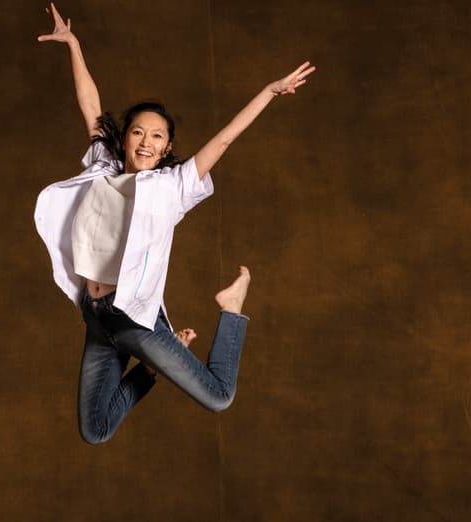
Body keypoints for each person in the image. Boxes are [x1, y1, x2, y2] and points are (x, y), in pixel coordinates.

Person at [33, 3, 314, 444]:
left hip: (134, 320)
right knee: (95, 430)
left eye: (157, 136)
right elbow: (90, 104)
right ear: (125, 137)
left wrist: (268, 91)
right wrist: (73, 43)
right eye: (138, 132)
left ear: (166, 148)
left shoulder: (173, 186)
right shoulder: (105, 166)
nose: (146, 142)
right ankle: (150, 370)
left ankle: (232, 307)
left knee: (219, 396)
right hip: (97, 317)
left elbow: (223, 140)